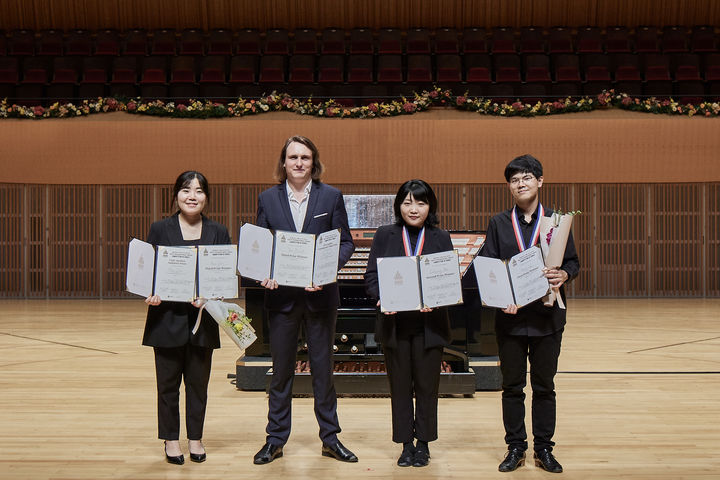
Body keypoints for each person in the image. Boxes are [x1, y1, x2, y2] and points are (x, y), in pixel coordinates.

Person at [252, 135, 357, 464]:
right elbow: (261, 246)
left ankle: (330, 438)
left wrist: (326, 271)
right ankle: (275, 439)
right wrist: (264, 272)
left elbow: (345, 244)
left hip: (320, 299)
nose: (299, 163)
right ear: (283, 163)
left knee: (323, 372)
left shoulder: (332, 196)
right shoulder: (268, 198)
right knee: (281, 371)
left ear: (315, 162)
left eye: (305, 157)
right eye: (293, 157)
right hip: (281, 300)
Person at [479, 154, 579, 473]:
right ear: (509, 187)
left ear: (540, 181)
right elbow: (491, 267)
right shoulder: (498, 223)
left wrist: (564, 274)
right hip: (510, 319)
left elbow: (573, 262)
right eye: (514, 180)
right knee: (511, 387)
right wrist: (499, 297)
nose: (520, 184)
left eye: (526, 178)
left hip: (548, 318)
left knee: (544, 386)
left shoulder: (557, 222)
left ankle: (544, 449)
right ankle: (515, 448)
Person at [143, 171, 231, 465]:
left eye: (199, 191)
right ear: (176, 195)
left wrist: (212, 295)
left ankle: (195, 437)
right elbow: (149, 274)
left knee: (198, 385)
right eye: (185, 190)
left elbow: (224, 277)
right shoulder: (159, 229)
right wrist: (151, 293)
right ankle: (170, 439)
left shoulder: (218, 232)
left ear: (206, 197)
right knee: (167, 385)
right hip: (165, 319)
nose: (192, 196)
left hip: (202, 321)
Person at [364, 179, 453, 468]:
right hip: (395, 325)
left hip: (431, 324)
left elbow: (447, 278)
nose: (413, 209)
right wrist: (382, 299)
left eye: (421, 202)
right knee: (400, 387)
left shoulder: (440, 237)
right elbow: (372, 277)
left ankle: (424, 444)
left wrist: (439, 297)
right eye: (407, 202)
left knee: (427, 386)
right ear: (398, 205)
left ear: (431, 206)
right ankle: (405, 444)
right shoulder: (384, 235)